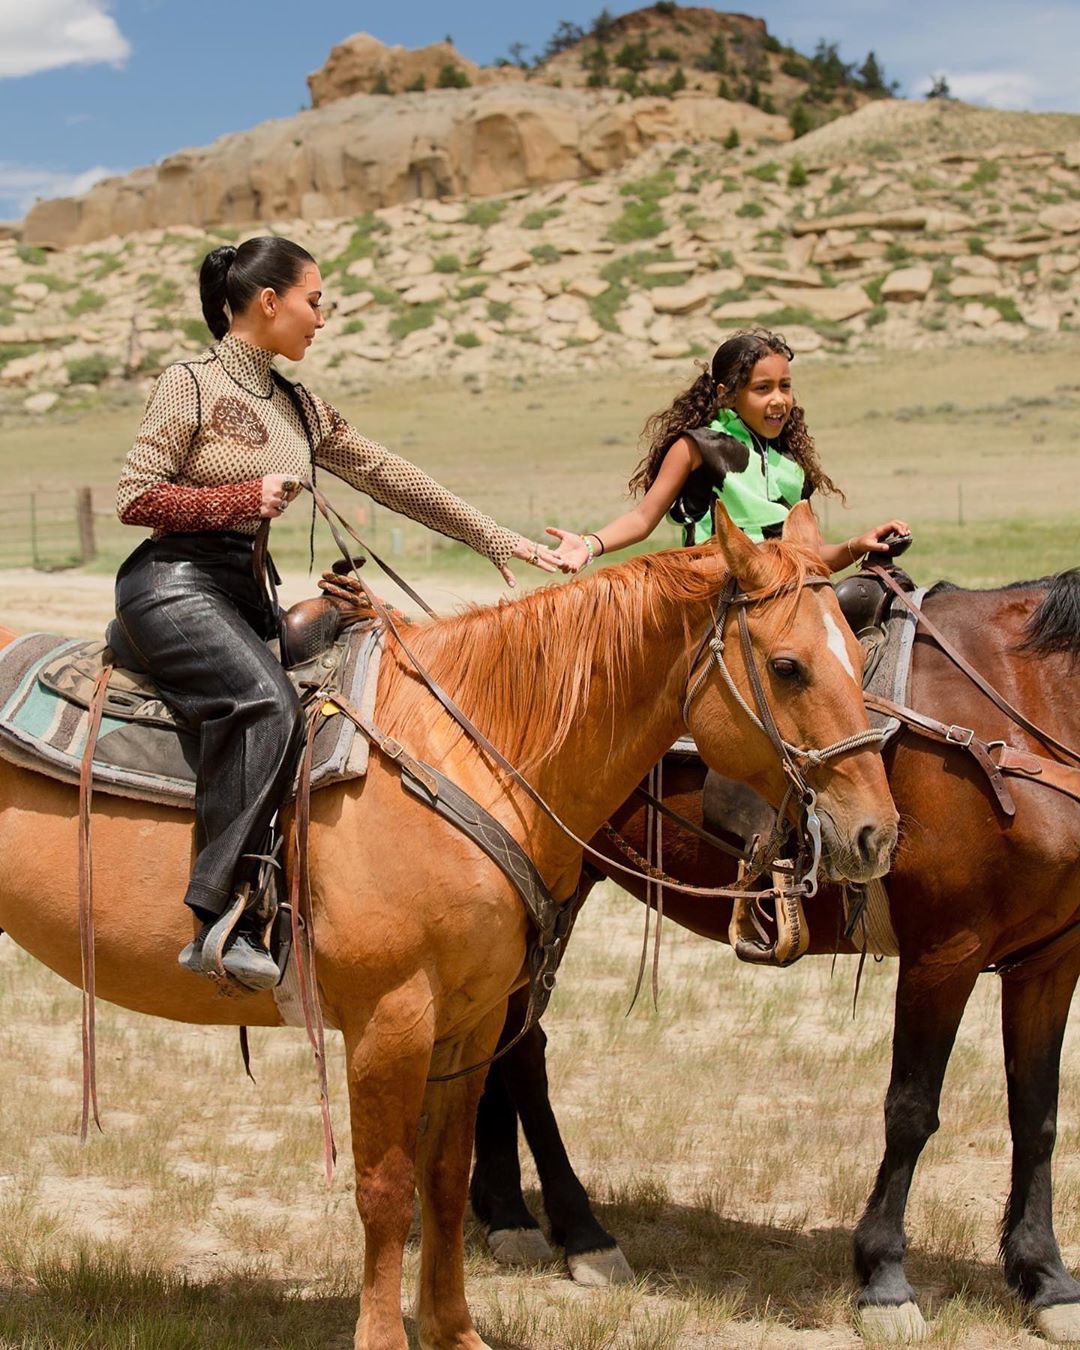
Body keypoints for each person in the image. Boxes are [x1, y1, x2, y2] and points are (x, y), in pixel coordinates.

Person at [114, 236, 562, 991]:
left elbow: (389, 474)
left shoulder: (298, 404)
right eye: (314, 302)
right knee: (265, 703)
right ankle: (220, 916)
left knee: (359, 657)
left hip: (243, 593)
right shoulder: (187, 384)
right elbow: (135, 496)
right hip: (171, 586)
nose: (322, 318)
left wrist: (495, 537)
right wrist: (239, 498)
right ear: (269, 303)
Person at [547, 328, 908, 575]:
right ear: (727, 395)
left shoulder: (792, 465)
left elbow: (813, 556)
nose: (779, 399)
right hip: (715, 591)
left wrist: (858, 545)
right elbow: (643, 519)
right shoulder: (697, 447)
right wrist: (588, 545)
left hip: (784, 593)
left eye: (785, 386)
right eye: (763, 388)